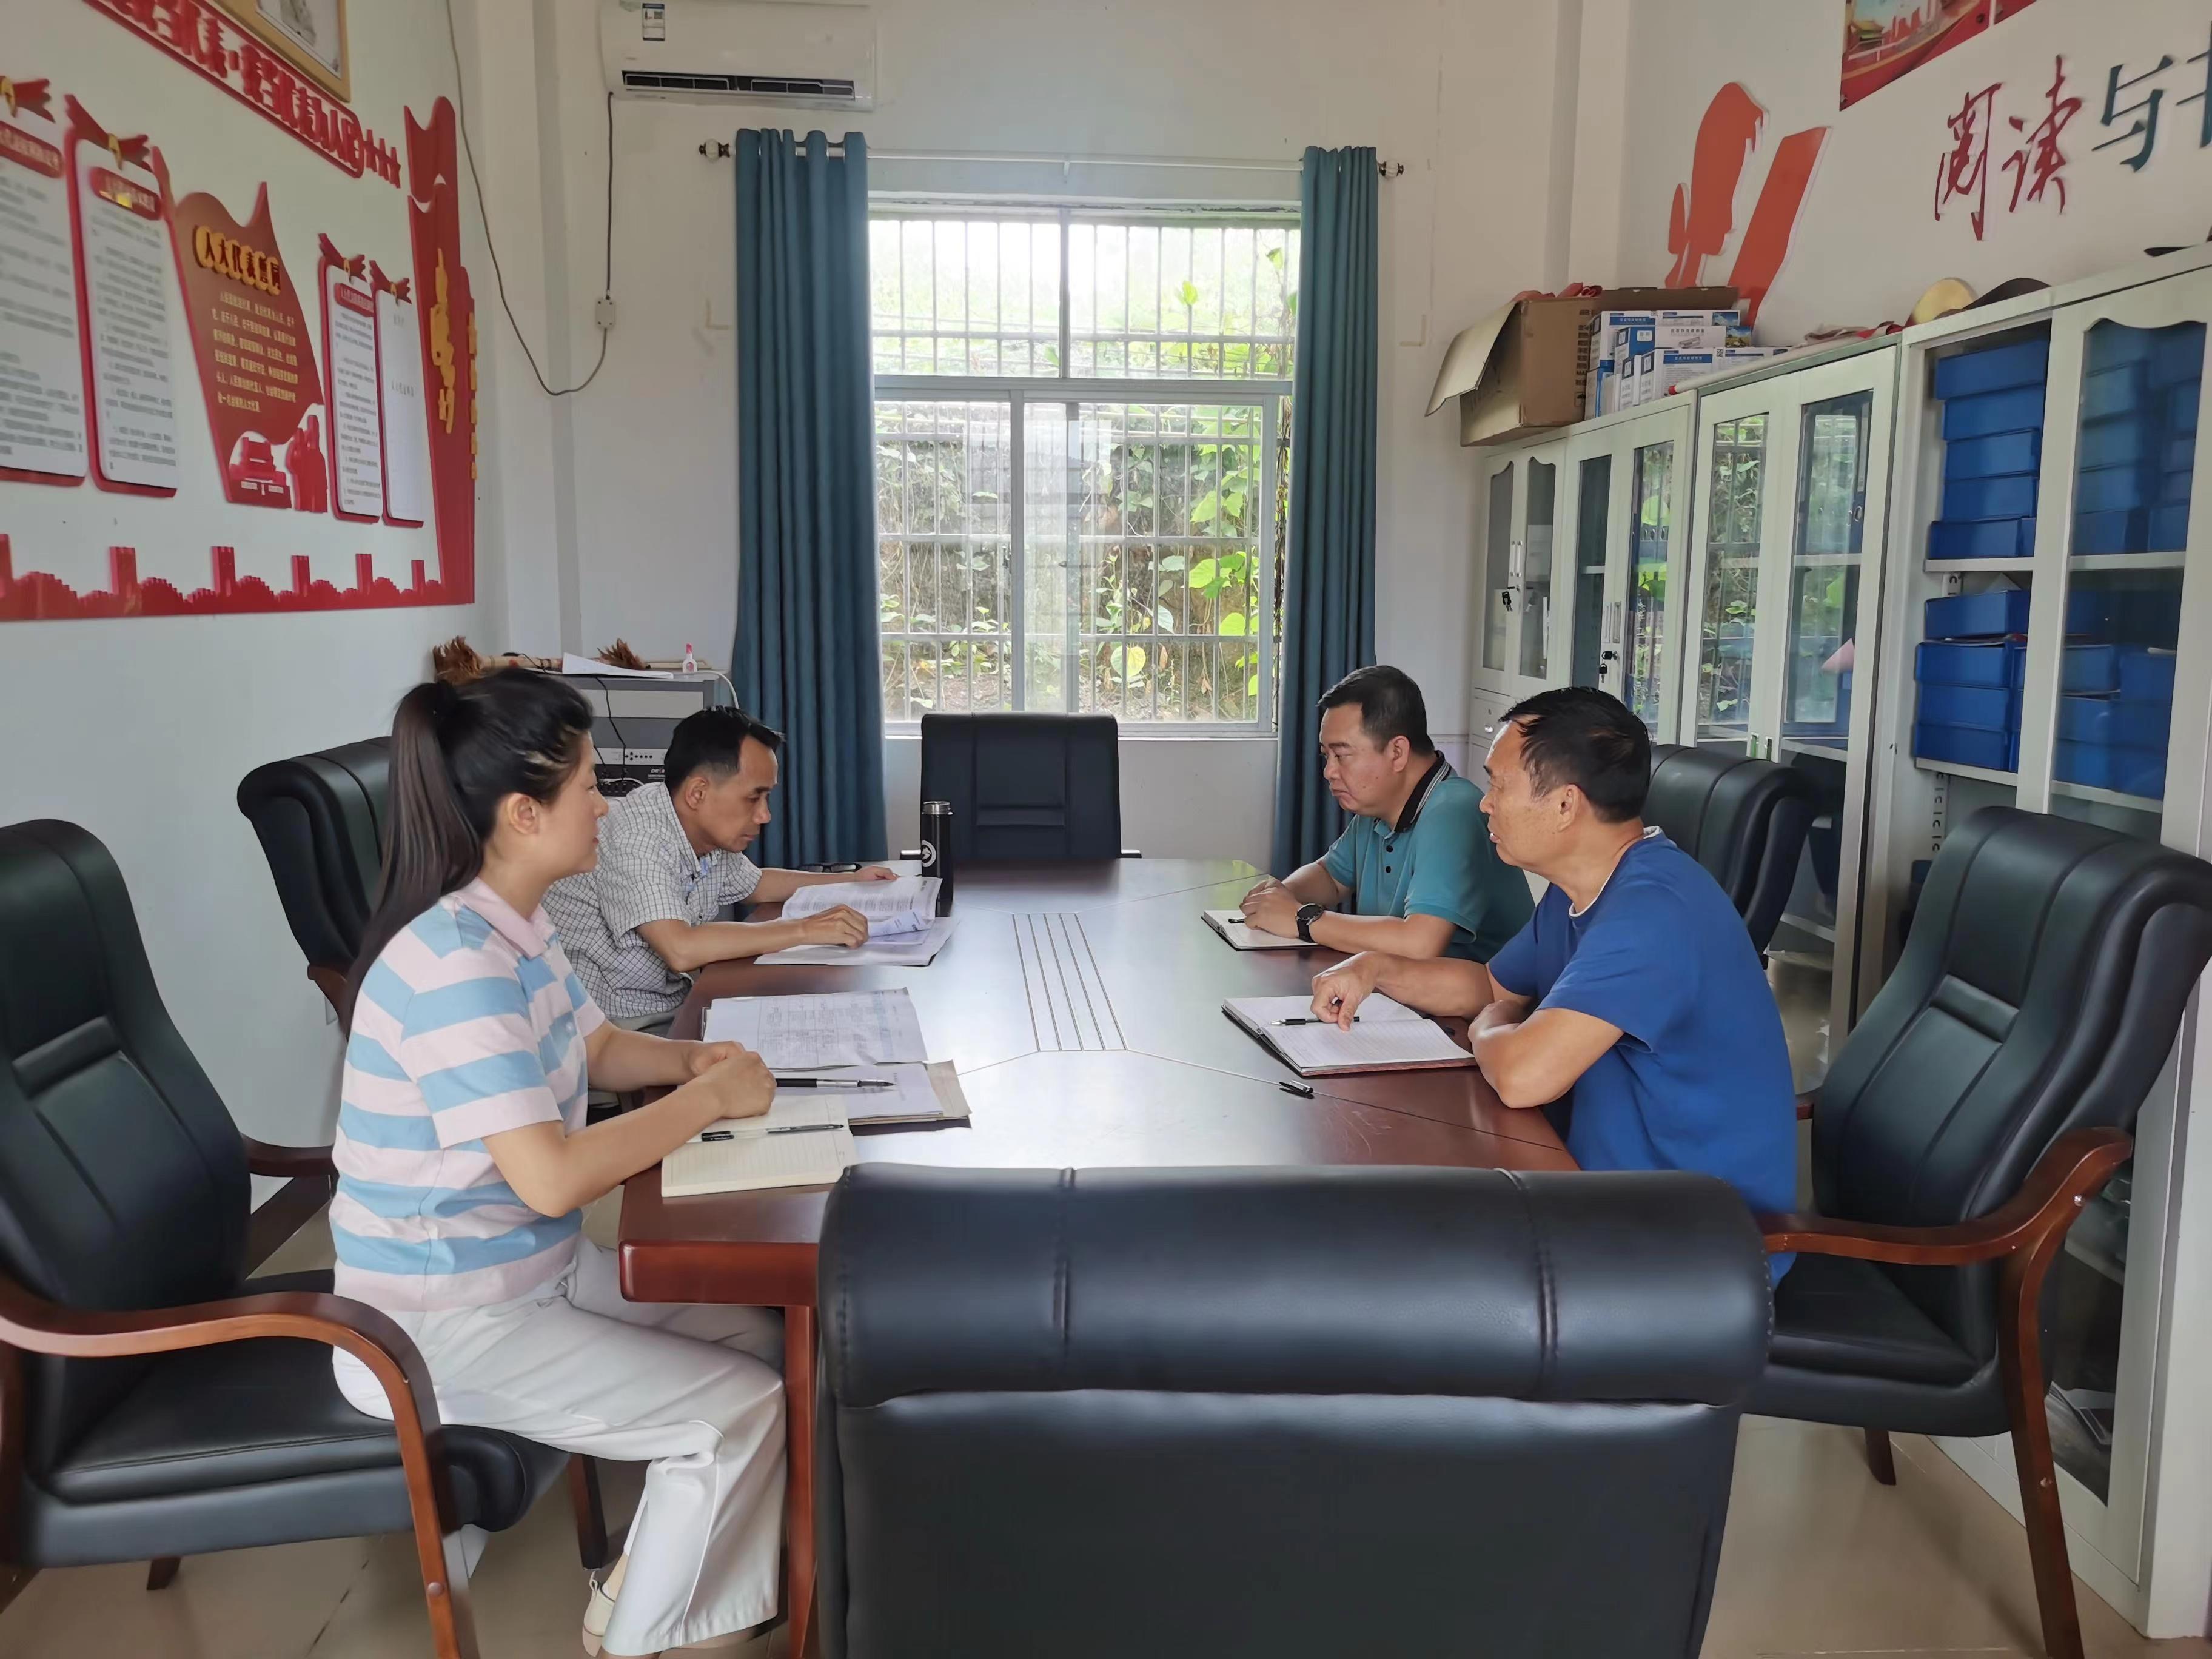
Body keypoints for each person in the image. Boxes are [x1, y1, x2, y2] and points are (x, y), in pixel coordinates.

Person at [330, 669, 786, 1657]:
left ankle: (646, 1594)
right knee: (737, 1412)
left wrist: (690, 1062)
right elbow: (551, 1177)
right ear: (523, 813)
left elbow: (598, 1046)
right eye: (589, 785)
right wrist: (705, 1104)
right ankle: (638, 1633)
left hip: (532, 1273)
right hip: (440, 1324)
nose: (606, 806)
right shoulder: (452, 968)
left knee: (759, 1340)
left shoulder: (517, 926)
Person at [1307, 685, 1797, 1276]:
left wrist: (1490, 1027)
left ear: (1566, 805)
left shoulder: (1653, 914)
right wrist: (1377, 969)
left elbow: (1521, 1077)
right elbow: (1492, 987)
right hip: (1605, 1198)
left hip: (1692, 1251)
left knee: (1404, 1256)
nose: (1485, 805)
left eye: (1499, 786)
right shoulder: (1581, 889)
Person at [546, 705, 897, 1030]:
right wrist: (805, 930)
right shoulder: (637, 837)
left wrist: (850, 880)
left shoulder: (700, 831)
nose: (765, 815)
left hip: (671, 1000)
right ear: (698, 794)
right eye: (753, 798)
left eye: (766, 798)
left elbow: (756, 884)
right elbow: (681, 949)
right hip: (615, 1024)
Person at [1241, 664, 1532, 960]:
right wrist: (1279, 897)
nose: (1329, 771)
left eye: (1341, 755)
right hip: (1392, 984)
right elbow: (1330, 876)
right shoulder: (1378, 807)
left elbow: (1420, 944)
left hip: (1477, 991)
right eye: (1326, 756)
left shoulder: (1454, 812)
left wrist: (1301, 919)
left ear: (1397, 752)